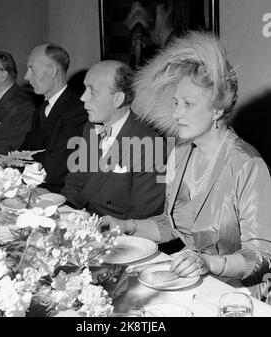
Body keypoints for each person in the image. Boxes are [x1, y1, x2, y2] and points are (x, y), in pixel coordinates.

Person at [101, 31, 271, 302]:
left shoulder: (247, 165)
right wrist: (128, 226)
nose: (177, 113)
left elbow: (261, 255)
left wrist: (208, 263)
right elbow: (172, 225)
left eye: (188, 104)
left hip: (239, 295)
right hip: (193, 283)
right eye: (176, 103)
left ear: (216, 110)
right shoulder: (180, 154)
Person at [61, 60, 166, 220]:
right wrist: (61, 214)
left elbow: (143, 216)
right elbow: (75, 183)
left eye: (92, 91)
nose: (83, 97)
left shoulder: (151, 145)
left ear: (118, 99)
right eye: (84, 88)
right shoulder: (91, 127)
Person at [21, 43, 87, 193]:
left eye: (32, 69)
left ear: (52, 70)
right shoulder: (42, 107)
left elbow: (55, 170)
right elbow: (24, 151)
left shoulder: (76, 110)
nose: (26, 76)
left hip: (57, 194)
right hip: (35, 187)